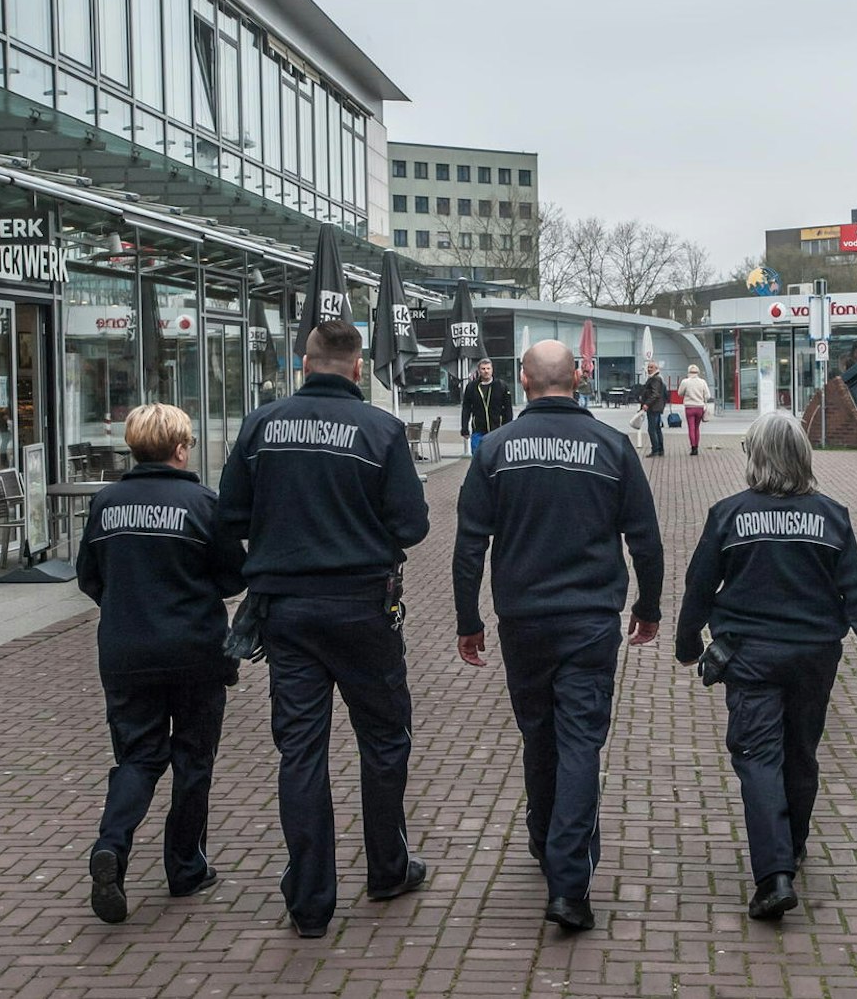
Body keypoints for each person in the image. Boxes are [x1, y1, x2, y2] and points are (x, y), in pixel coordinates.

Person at [217, 319, 432, 939]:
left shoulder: (262, 424)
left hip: (287, 611)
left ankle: (310, 901)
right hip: (364, 607)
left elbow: (230, 513)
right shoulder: (381, 430)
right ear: (357, 367)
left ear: (303, 364)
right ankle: (388, 868)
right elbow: (413, 526)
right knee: (385, 741)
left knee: (301, 752)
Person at [453, 340, 665, 933]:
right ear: (577, 377)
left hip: (522, 618)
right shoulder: (613, 448)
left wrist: (468, 618)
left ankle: (546, 840)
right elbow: (645, 540)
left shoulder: (494, 450)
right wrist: (648, 606)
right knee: (579, 741)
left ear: (523, 381)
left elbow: (471, 543)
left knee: (539, 733)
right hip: (590, 618)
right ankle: (568, 883)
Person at [674, 411, 857, 922]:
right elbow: (856, 590)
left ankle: (773, 877)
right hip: (814, 655)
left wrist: (688, 643)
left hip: (749, 656)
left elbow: (699, 587)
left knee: (758, 756)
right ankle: (791, 845)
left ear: (756, 459)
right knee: (800, 752)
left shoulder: (729, 515)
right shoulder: (832, 516)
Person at [75, 403, 247, 925]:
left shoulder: (106, 504)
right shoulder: (202, 504)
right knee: (194, 758)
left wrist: (128, 607)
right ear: (179, 448)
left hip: (126, 653)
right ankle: (184, 867)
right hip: (194, 652)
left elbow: (89, 576)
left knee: (138, 757)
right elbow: (234, 577)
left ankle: (112, 845)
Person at [459, 358, 515, 455]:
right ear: (479, 370)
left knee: (496, 458)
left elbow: (508, 409)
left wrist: (508, 428)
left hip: (497, 429)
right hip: (478, 430)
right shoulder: (471, 387)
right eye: (483, 369)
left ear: (492, 369)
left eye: (488, 368)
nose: (486, 371)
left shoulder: (501, 386)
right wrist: (464, 428)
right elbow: (466, 408)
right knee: (477, 458)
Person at [678, 364, 714, 455]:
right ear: (698, 372)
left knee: (691, 428)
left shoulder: (685, 382)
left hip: (689, 407)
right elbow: (708, 396)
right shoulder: (702, 382)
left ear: (689, 372)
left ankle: (693, 447)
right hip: (699, 408)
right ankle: (697, 446)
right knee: (697, 428)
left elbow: (680, 393)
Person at [638, 361, 669, 457]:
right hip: (657, 408)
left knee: (652, 429)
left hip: (653, 408)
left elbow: (655, 394)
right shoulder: (657, 379)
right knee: (657, 428)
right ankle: (660, 449)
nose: (649, 369)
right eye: (648, 367)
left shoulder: (655, 379)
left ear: (656, 368)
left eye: (651, 367)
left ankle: (655, 449)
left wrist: (647, 404)